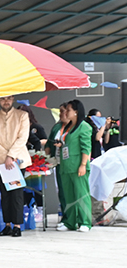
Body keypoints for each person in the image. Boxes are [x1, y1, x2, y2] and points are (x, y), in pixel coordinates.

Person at [0, 96, 31, 237]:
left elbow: (23, 138)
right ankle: (7, 225)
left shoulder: (22, 116)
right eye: (3, 99)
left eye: (9, 98)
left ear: (13, 100)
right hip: (0, 162)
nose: (6, 101)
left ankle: (17, 225)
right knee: (4, 194)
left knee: (17, 193)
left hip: (17, 160)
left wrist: (11, 156)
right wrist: (5, 156)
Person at [55, 99, 92, 232]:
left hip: (78, 165)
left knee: (81, 194)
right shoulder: (68, 126)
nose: (66, 112)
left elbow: (86, 148)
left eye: (69, 110)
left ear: (76, 112)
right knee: (68, 195)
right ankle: (70, 221)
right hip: (66, 165)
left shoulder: (84, 126)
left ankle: (85, 222)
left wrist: (83, 165)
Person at [45, 103, 69, 219]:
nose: (61, 114)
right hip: (58, 162)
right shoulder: (57, 127)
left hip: (70, 163)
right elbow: (49, 143)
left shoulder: (75, 127)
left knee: (71, 190)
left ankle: (75, 216)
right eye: (60, 112)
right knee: (62, 190)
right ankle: (65, 215)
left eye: (64, 112)